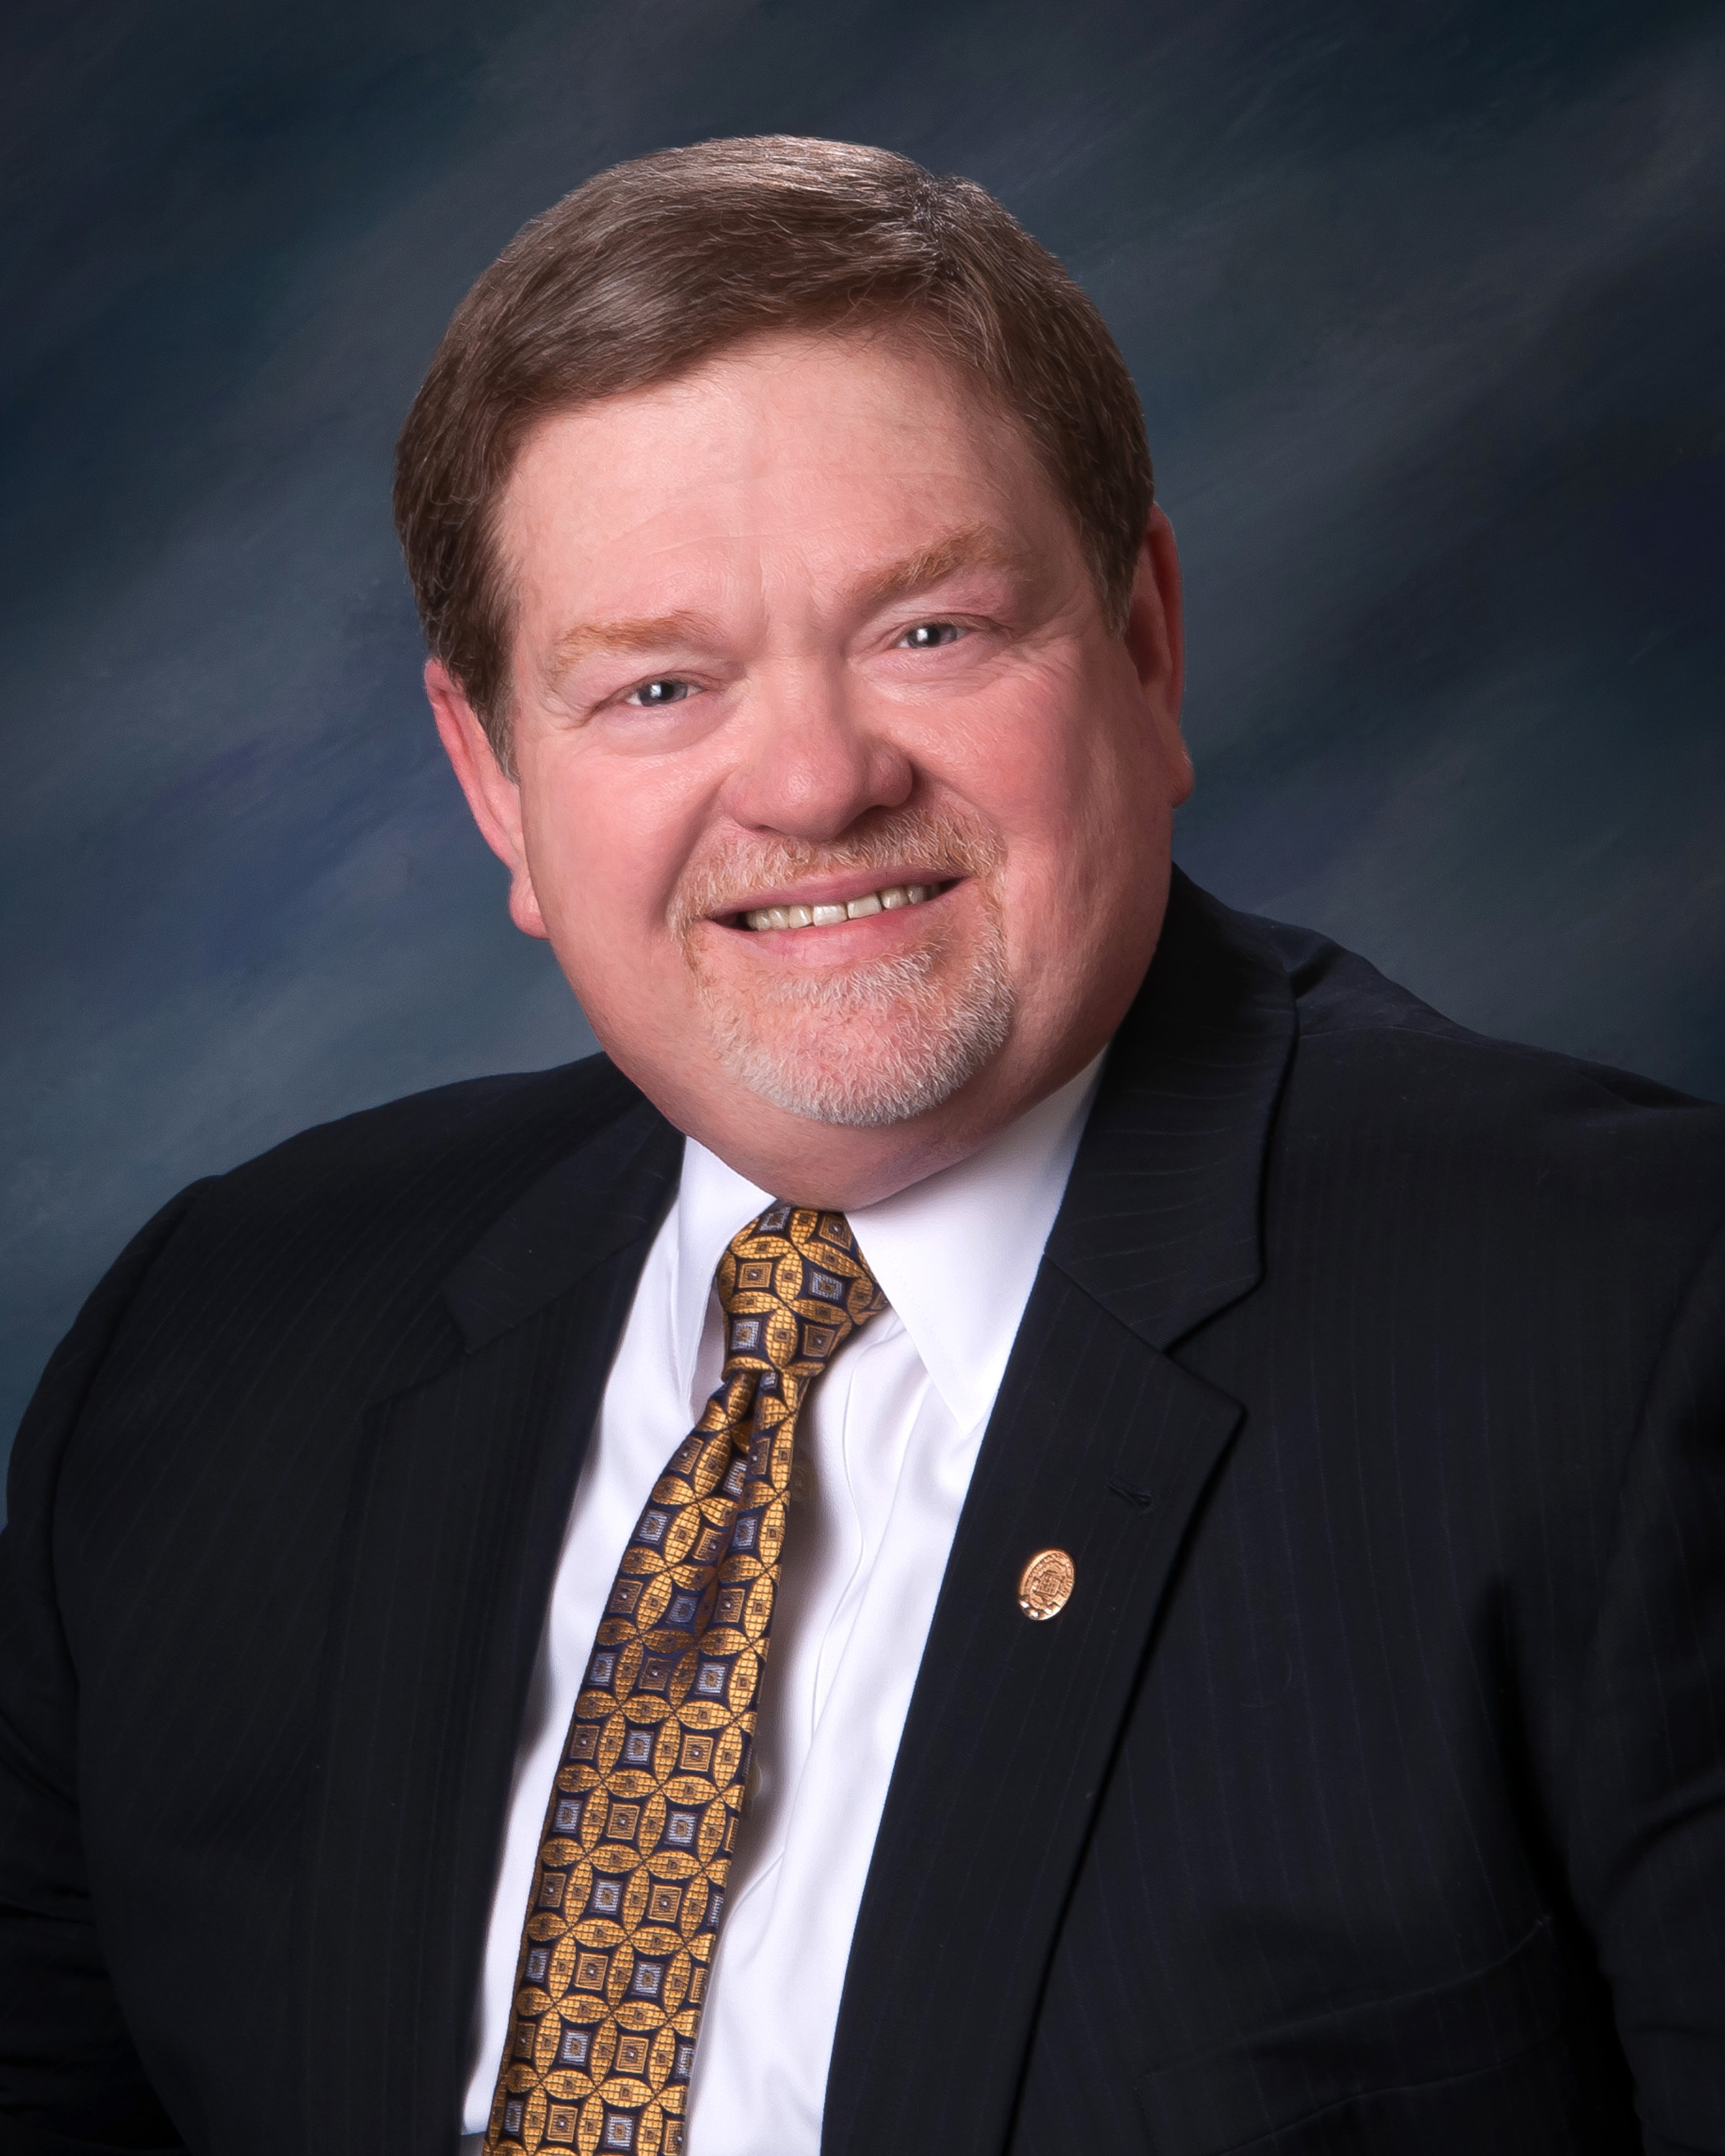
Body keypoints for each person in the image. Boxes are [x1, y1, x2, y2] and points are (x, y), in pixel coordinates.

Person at [1, 134, 1721, 2156]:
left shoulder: (1626, 1333)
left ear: (1146, 646)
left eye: (929, 631)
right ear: (493, 782)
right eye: (659, 684)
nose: (815, 782)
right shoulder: (215, 1347)